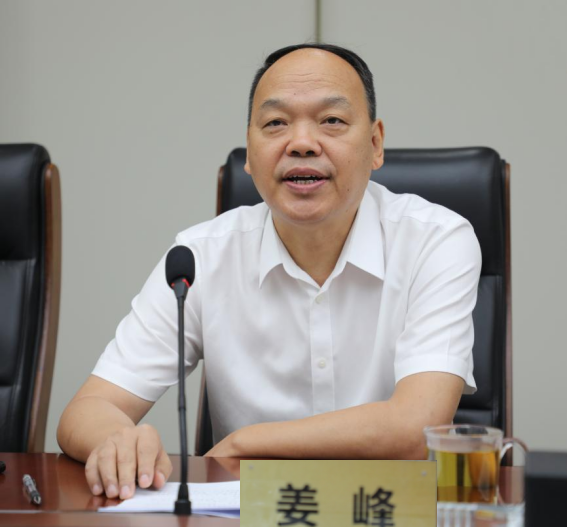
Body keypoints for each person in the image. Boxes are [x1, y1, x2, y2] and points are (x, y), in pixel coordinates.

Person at [57, 43, 481, 500]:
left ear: (375, 144)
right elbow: (89, 409)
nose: (301, 143)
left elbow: (417, 428)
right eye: (276, 123)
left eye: (332, 120)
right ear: (249, 151)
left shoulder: (435, 241)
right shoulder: (201, 257)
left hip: (387, 509)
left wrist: (247, 443)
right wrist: (117, 441)